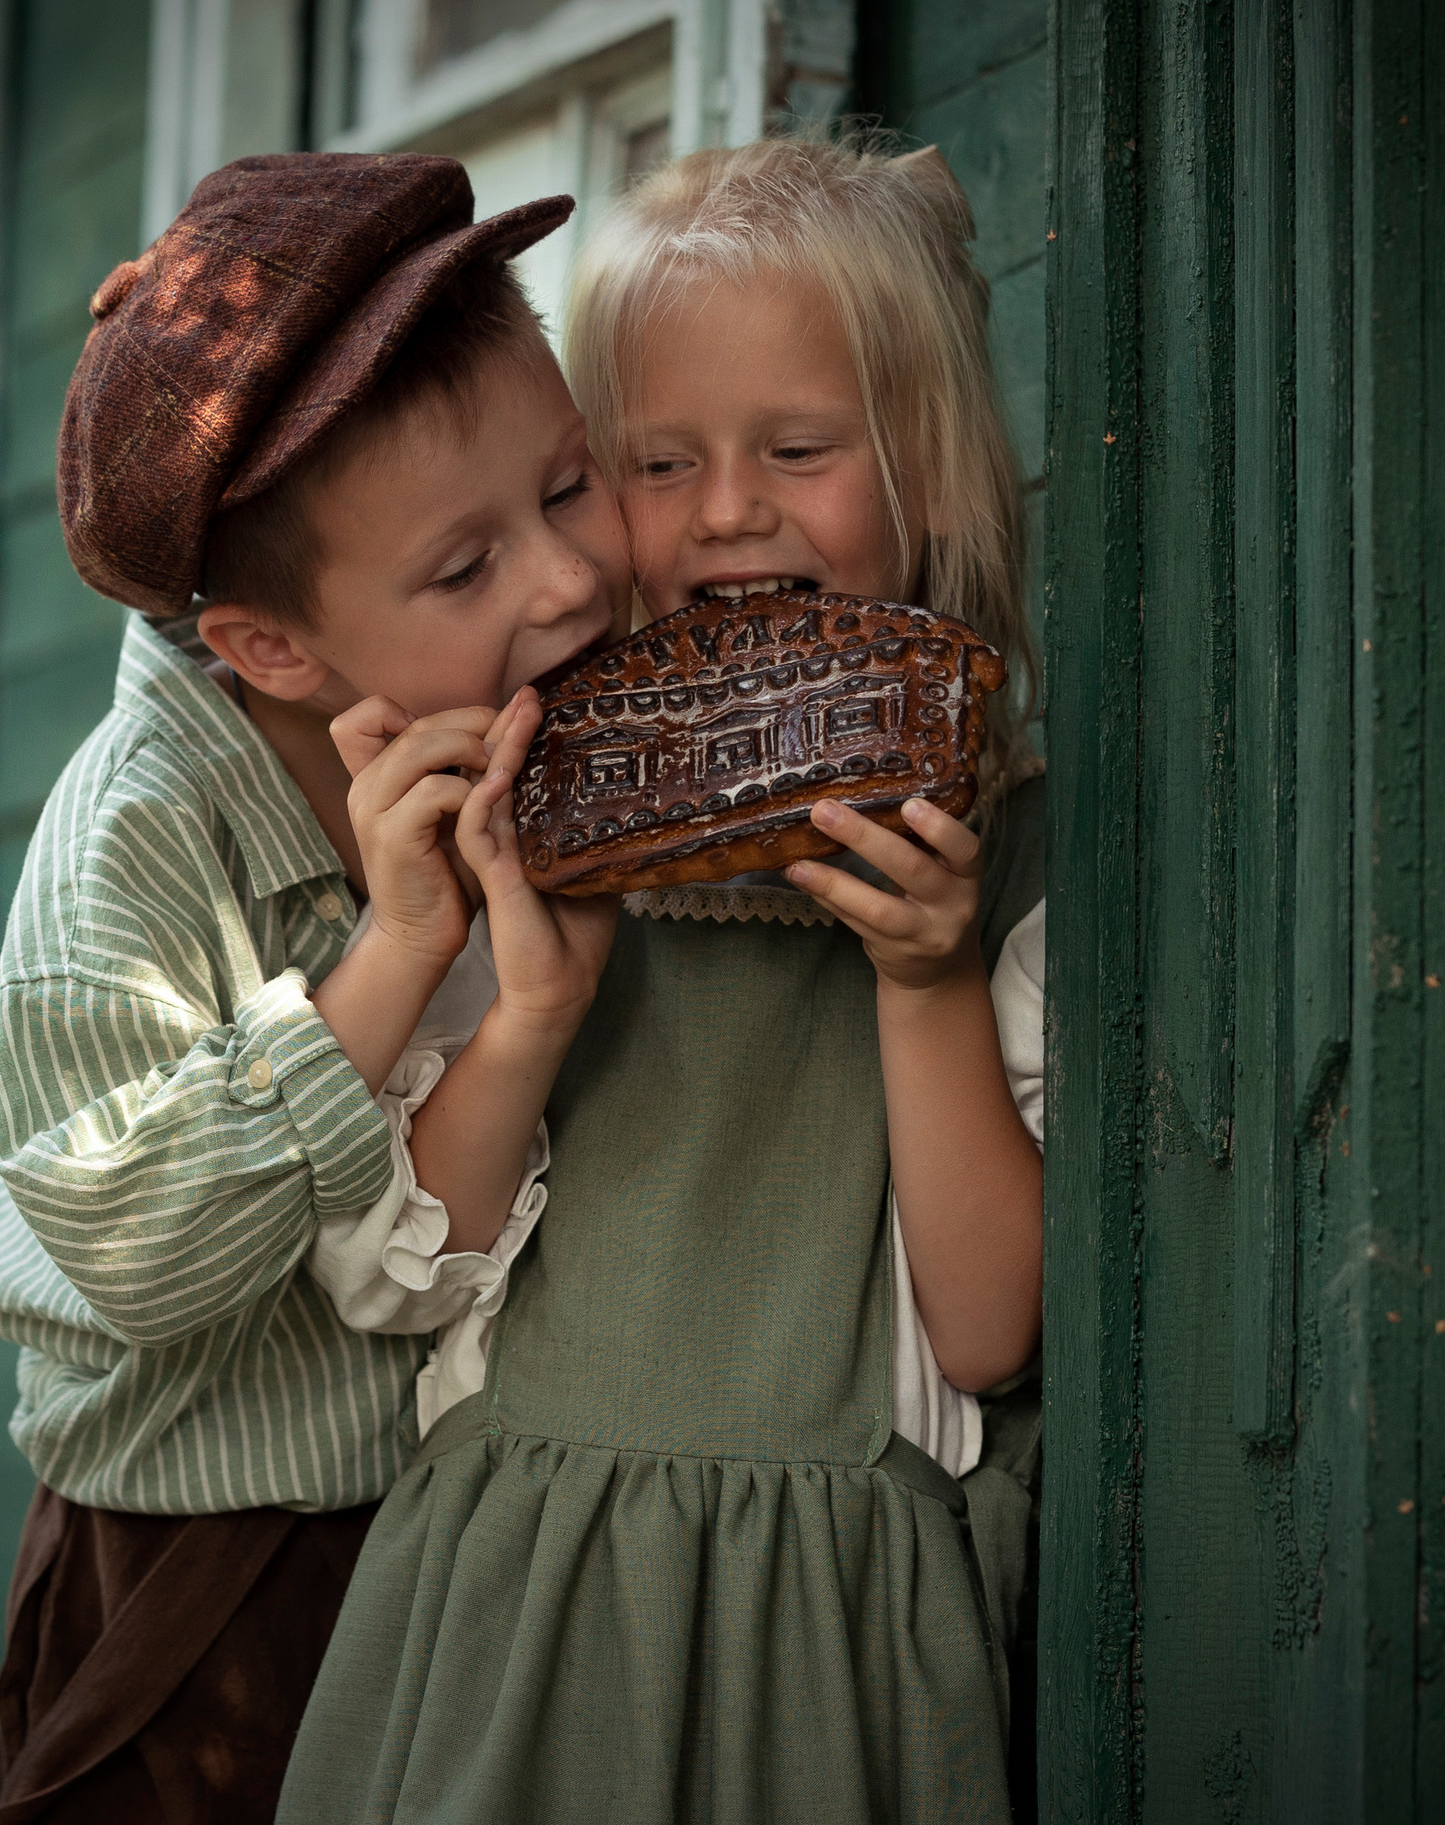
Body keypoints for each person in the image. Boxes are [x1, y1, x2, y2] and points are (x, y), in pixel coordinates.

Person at [279, 134, 1050, 1824]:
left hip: (827, 1629)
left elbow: (990, 1337)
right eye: (650, 463)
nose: (725, 510)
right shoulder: (520, 822)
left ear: (926, 461)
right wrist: (534, 1006)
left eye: (798, 450)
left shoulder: (1002, 870)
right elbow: (391, 1279)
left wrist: (922, 982)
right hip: (516, 1609)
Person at [0, 152, 630, 1823]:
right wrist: (395, 953)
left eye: (575, 484)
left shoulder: (560, 707)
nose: (566, 582)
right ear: (272, 652)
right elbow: (137, 1242)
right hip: (220, 1576)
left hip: (485, 1526)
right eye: (464, 572)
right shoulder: (135, 842)